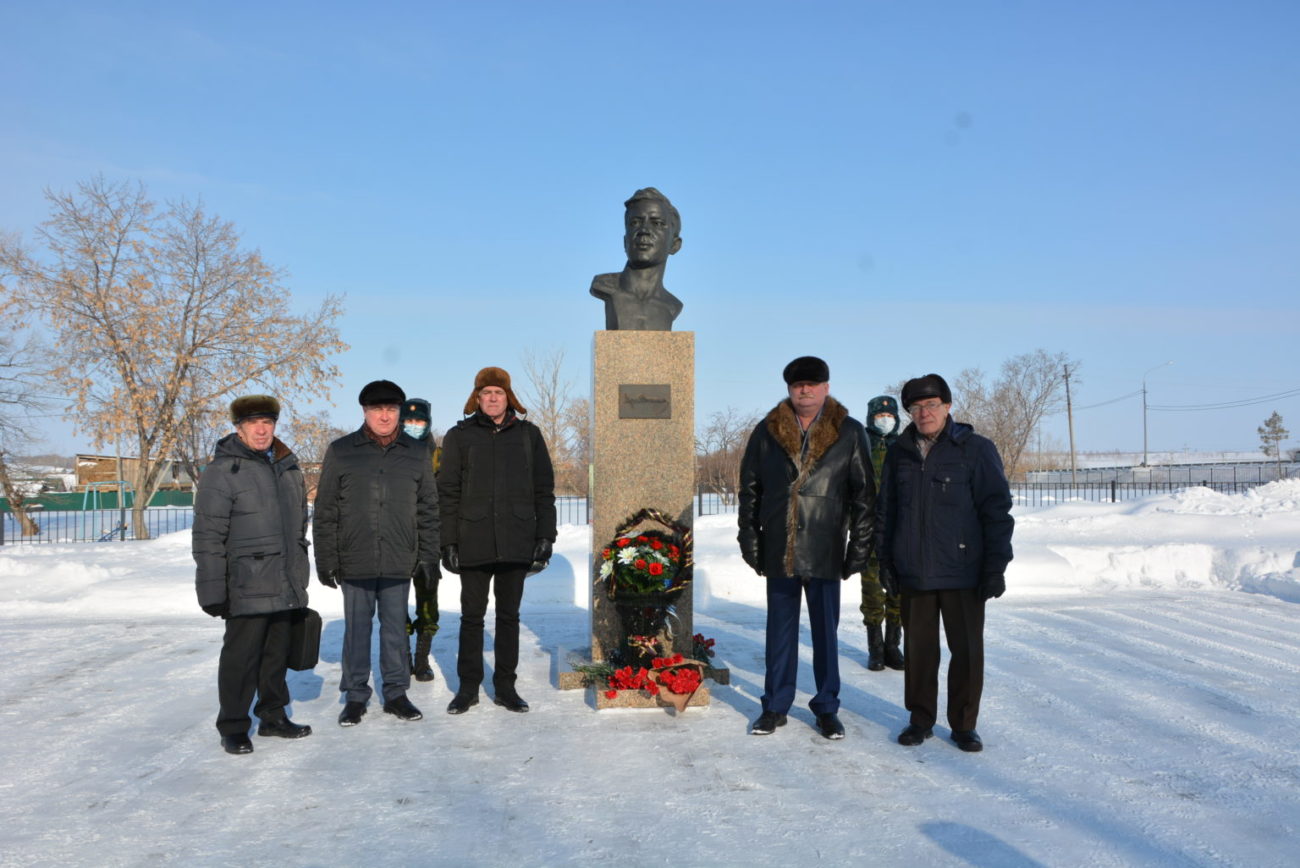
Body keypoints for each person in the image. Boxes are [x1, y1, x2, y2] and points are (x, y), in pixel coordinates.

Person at [737, 356, 874, 740]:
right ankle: (775, 706)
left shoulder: (849, 431)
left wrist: (859, 548)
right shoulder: (766, 432)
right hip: (780, 547)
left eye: (813, 383)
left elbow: (865, 496)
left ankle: (827, 707)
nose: (805, 389)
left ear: (826, 387)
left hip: (826, 547)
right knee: (779, 632)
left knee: (825, 634)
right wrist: (749, 537)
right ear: (789, 389)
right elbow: (749, 489)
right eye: (798, 384)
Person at [877, 374, 1014, 753]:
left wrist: (995, 566)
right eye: (916, 408)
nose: (924, 413)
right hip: (915, 572)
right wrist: (885, 561)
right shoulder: (899, 453)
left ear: (948, 406)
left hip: (963, 571)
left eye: (931, 405)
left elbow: (997, 513)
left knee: (967, 652)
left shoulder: (976, 449)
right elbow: (885, 512)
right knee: (920, 654)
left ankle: (964, 724)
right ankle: (920, 720)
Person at [313, 380, 440, 727]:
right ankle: (355, 695)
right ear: (365, 412)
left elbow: (428, 508)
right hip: (355, 557)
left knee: (395, 631)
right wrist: (326, 558)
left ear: (399, 412)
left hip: (400, 557)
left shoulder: (416, 453)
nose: (385, 416)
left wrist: (429, 556)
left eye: (391, 410)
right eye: (377, 410)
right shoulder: (341, 451)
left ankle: (397, 693)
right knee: (357, 629)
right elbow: (325, 509)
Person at [193, 395, 312, 755]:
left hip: (284, 578)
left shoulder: (288, 466)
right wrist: (213, 589)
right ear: (238, 428)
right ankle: (233, 725)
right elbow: (208, 534)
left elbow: (298, 525)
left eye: (268, 422)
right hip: (246, 582)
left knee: (276, 653)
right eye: (253, 423)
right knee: (241, 658)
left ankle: (273, 716)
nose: (262, 430)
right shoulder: (222, 471)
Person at [438, 366, 556, 715]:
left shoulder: (528, 435)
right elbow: (448, 491)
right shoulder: (459, 436)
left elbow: (543, 490)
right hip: (472, 539)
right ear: (476, 398)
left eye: (498, 393)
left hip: (516, 538)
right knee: (471, 618)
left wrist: (545, 535)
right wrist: (448, 542)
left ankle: (506, 687)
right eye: (485, 393)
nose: (492, 398)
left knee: (508, 617)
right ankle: (468, 688)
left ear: (509, 397)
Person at [589, 187, 684, 330]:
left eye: (657, 223)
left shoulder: (672, 305)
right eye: (635, 223)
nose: (644, 230)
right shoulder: (603, 286)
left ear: (675, 245)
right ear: (625, 241)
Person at [860, 394, 905, 671]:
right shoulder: (861, 444)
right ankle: (875, 648)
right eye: (879, 417)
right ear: (871, 419)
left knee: (898, 591)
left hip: (899, 531)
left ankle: (893, 646)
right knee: (872, 591)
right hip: (869, 529)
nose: (885, 420)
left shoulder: (904, 446)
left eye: (889, 416)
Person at [400, 397, 441, 683]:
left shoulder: (437, 457)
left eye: (420, 421)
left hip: (428, 542)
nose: (415, 426)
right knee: (395, 605)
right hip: (398, 542)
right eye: (410, 421)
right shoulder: (392, 453)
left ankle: (422, 659)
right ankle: (402, 658)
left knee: (428, 604)